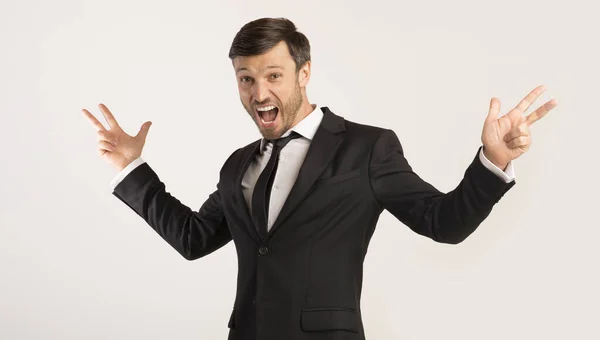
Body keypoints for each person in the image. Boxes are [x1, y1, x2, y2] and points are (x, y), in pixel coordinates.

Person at [82, 17, 557, 340]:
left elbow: (443, 223)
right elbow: (193, 238)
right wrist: (131, 169)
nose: (259, 92)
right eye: (246, 79)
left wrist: (492, 163)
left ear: (304, 73)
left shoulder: (367, 148)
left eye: (273, 75)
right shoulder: (237, 164)